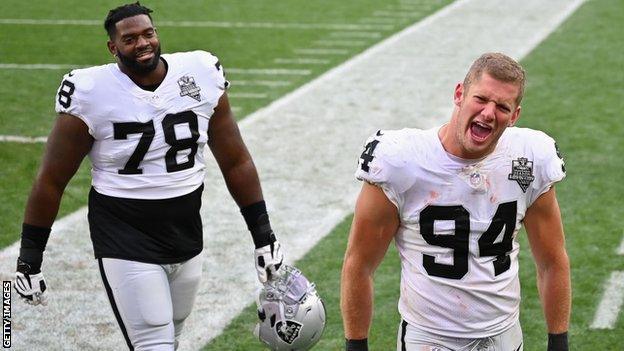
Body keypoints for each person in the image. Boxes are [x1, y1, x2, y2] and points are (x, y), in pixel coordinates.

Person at [13, 2, 284, 350]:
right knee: (154, 343)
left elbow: (236, 161)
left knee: (170, 336)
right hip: (126, 232)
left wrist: (263, 234)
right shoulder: (90, 91)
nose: (143, 43)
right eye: (129, 39)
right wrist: (30, 257)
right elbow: (51, 179)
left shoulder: (200, 72)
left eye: (148, 33)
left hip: (186, 229)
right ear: (113, 48)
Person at [341, 53, 570, 351]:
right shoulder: (401, 160)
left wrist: (558, 342)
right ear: (459, 93)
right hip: (429, 338)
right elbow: (359, 264)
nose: (489, 113)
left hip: (503, 336)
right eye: (481, 99)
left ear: (514, 116)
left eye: (502, 107)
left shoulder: (529, 158)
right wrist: (355, 346)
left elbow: (552, 261)